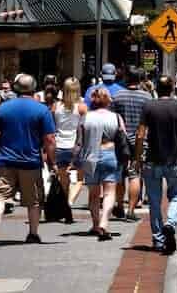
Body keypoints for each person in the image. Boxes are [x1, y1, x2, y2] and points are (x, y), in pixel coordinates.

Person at [0, 74, 56, 249]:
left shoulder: (3, 108)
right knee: (34, 200)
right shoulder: (42, 110)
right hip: (31, 161)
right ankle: (33, 233)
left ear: (16, 88)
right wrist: (52, 161)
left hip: (5, 160)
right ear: (34, 88)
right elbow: (49, 139)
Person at [136, 76, 177, 254]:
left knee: (154, 202)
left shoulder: (149, 106)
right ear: (172, 88)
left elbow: (140, 135)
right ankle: (170, 222)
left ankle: (158, 240)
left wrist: (137, 157)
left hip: (152, 160)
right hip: (173, 160)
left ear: (157, 88)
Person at [77, 87, 125, 240]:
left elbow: (79, 141)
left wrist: (75, 160)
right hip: (110, 154)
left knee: (93, 193)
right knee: (110, 192)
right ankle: (105, 222)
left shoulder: (85, 117)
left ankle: (96, 224)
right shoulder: (116, 117)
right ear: (108, 100)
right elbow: (122, 136)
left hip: (91, 155)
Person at [112, 68, 152, 221]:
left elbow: (112, 118)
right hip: (140, 140)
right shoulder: (147, 97)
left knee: (120, 175)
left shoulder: (117, 96)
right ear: (140, 80)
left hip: (120, 140)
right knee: (135, 174)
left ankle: (120, 206)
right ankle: (131, 210)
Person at [54, 77, 88, 211]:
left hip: (59, 145)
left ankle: (65, 200)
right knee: (80, 178)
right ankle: (69, 201)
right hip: (76, 147)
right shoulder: (82, 107)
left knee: (63, 178)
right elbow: (86, 127)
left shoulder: (56, 106)